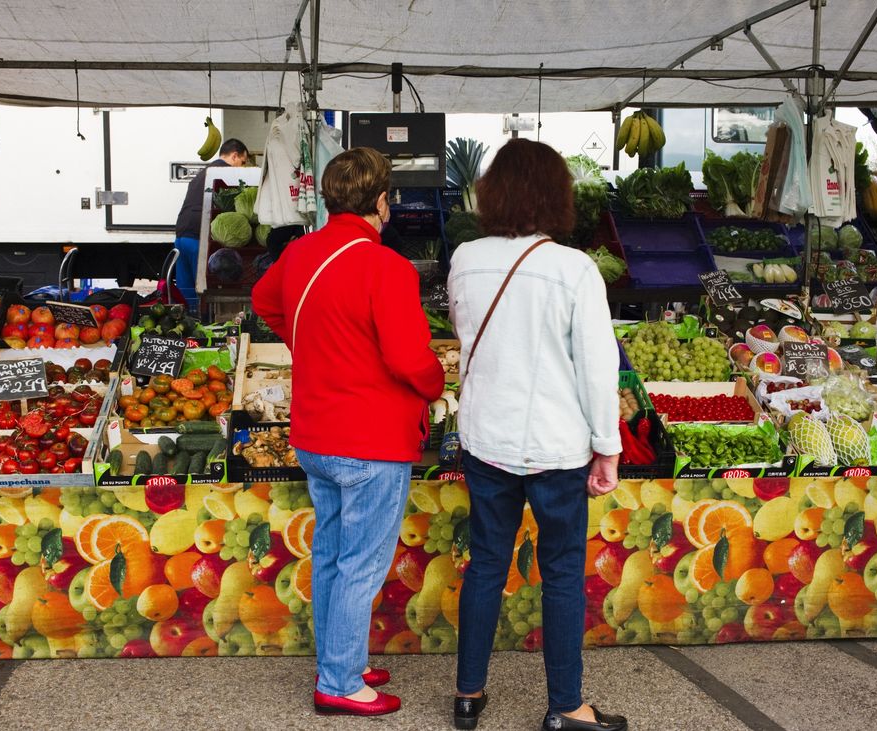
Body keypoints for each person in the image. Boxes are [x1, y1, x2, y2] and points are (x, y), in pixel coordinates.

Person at [252, 147, 444, 718]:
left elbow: (265, 302)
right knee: (360, 564)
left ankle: (342, 660)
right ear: (382, 201)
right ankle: (338, 684)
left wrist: (309, 344)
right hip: (371, 440)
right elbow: (411, 359)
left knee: (335, 557)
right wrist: (436, 386)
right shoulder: (388, 267)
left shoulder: (299, 251)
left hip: (315, 434)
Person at [447, 139, 626, 731]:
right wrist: (608, 447)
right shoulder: (574, 268)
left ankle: (468, 695)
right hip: (555, 445)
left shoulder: (465, 259)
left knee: (487, 564)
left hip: (485, 439)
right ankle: (566, 707)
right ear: (557, 195)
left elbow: (467, 337)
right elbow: (598, 369)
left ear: (492, 192)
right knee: (562, 572)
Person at [173, 138, 250, 305]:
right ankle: (204, 324)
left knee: (185, 291)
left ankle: (187, 322)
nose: (242, 168)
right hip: (197, 235)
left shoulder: (204, 171)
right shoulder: (225, 173)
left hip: (181, 234)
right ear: (234, 156)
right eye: (243, 162)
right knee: (203, 289)